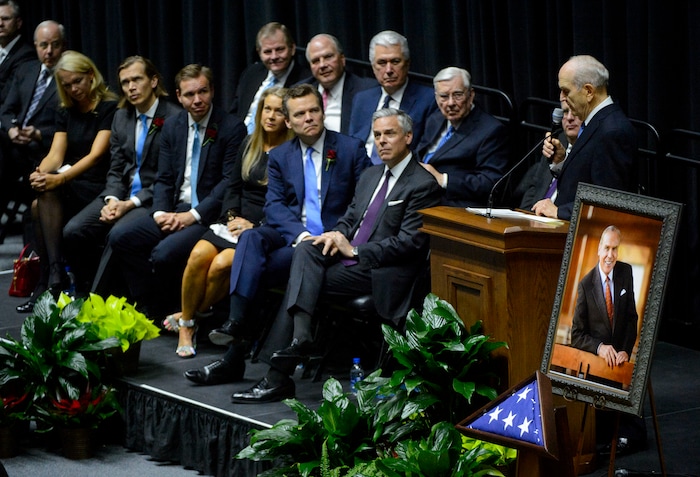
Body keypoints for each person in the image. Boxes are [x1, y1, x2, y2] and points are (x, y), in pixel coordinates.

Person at [228, 108, 443, 403]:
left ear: (408, 137)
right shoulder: (370, 175)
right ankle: (300, 338)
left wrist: (354, 249)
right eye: (377, 135)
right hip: (350, 260)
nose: (382, 141)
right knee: (306, 248)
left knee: (301, 280)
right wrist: (334, 235)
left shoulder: (422, 184)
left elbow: (410, 245)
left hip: (383, 270)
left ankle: (278, 374)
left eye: (389, 134)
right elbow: (350, 218)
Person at [183, 83, 369, 385]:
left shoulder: (349, 148)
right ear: (289, 121)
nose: (308, 118)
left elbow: (363, 200)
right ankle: (238, 323)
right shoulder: (282, 155)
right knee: (250, 239)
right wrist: (300, 235)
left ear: (322, 112)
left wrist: (336, 235)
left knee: (253, 268)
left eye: (313, 111)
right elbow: (275, 206)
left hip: (330, 242)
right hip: (294, 239)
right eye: (300, 114)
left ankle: (236, 351)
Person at [102, 64, 246, 317]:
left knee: (163, 254)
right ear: (179, 96)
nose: (197, 100)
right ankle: (153, 304)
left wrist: (192, 216)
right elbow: (164, 178)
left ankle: (182, 310)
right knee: (121, 236)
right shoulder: (172, 125)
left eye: (203, 92)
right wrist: (160, 213)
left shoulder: (231, 127)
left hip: (208, 215)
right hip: (175, 209)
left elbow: (227, 184)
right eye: (190, 95)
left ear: (212, 90)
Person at [164, 86, 293, 358]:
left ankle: (188, 318)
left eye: (279, 111)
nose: (271, 116)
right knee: (199, 255)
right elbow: (233, 187)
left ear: (289, 117)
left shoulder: (293, 152)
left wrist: (254, 226)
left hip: (262, 228)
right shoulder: (250, 142)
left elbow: (289, 202)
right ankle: (188, 323)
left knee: (222, 264)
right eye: (266, 109)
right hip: (234, 218)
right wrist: (233, 216)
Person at [62, 56, 181, 296]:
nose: (131, 87)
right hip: (121, 194)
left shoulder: (175, 118)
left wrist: (130, 204)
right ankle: (85, 290)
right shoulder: (121, 116)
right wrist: (112, 200)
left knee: (117, 233)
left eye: (137, 79)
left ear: (154, 80)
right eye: (125, 82)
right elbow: (115, 168)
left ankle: (98, 300)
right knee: (73, 230)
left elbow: (170, 176)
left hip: (152, 198)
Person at [18, 50, 118, 313]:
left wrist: (58, 178)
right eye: (66, 84)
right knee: (40, 201)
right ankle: (53, 275)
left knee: (41, 204)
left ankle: (50, 280)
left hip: (97, 182)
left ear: (91, 75)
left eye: (77, 81)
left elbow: (96, 155)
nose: (73, 89)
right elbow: (56, 153)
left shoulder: (108, 106)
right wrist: (41, 172)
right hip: (70, 179)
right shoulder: (65, 109)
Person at [570, 225, 646, 456]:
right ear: (598, 249)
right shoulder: (585, 285)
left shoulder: (625, 272)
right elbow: (577, 335)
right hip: (598, 366)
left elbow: (632, 318)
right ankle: (607, 438)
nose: (610, 255)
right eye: (606, 248)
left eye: (615, 249)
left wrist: (625, 349)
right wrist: (600, 348)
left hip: (621, 360)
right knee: (603, 430)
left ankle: (629, 436)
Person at [532, 55, 637, 220]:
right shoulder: (596, 123)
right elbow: (585, 177)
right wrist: (561, 161)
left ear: (589, 91)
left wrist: (559, 211)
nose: (562, 97)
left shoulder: (612, 131)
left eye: (566, 91)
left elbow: (608, 202)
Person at [0, 20, 65, 223]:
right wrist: (11, 129)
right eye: (43, 45)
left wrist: (39, 134)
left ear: (63, 46)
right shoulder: (26, 70)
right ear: (36, 46)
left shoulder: (70, 76)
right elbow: (6, 109)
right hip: (15, 144)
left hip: (44, 149)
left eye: (55, 45)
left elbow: (72, 124)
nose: (49, 51)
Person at [415, 66, 509, 207]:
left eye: (458, 95)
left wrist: (444, 180)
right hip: (420, 192)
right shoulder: (435, 119)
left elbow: (490, 183)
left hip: (451, 201)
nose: (451, 103)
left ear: (471, 95)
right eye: (444, 96)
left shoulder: (491, 130)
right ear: (436, 97)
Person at [348, 30, 437, 164]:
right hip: (361, 176)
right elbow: (353, 145)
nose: (389, 70)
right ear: (373, 67)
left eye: (395, 61)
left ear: (407, 64)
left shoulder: (428, 99)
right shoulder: (362, 99)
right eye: (382, 63)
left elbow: (423, 151)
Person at [229, 22, 310, 134]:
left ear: (292, 48)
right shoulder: (251, 73)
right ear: (259, 53)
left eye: (280, 49)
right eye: (267, 52)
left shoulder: (306, 81)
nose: (274, 57)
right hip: (239, 142)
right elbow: (234, 114)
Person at [298, 33, 374, 135]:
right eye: (316, 61)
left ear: (342, 59)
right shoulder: (300, 92)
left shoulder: (365, 91)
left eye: (328, 57)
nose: (322, 65)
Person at [514, 101, 582, 209]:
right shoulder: (557, 140)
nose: (569, 118)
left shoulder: (590, 151)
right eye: (565, 112)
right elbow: (535, 187)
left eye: (575, 112)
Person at [0, 0, 34, 98]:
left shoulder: (27, 54)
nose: (0, 23)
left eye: (5, 19)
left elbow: (8, 95)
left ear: (18, 23)